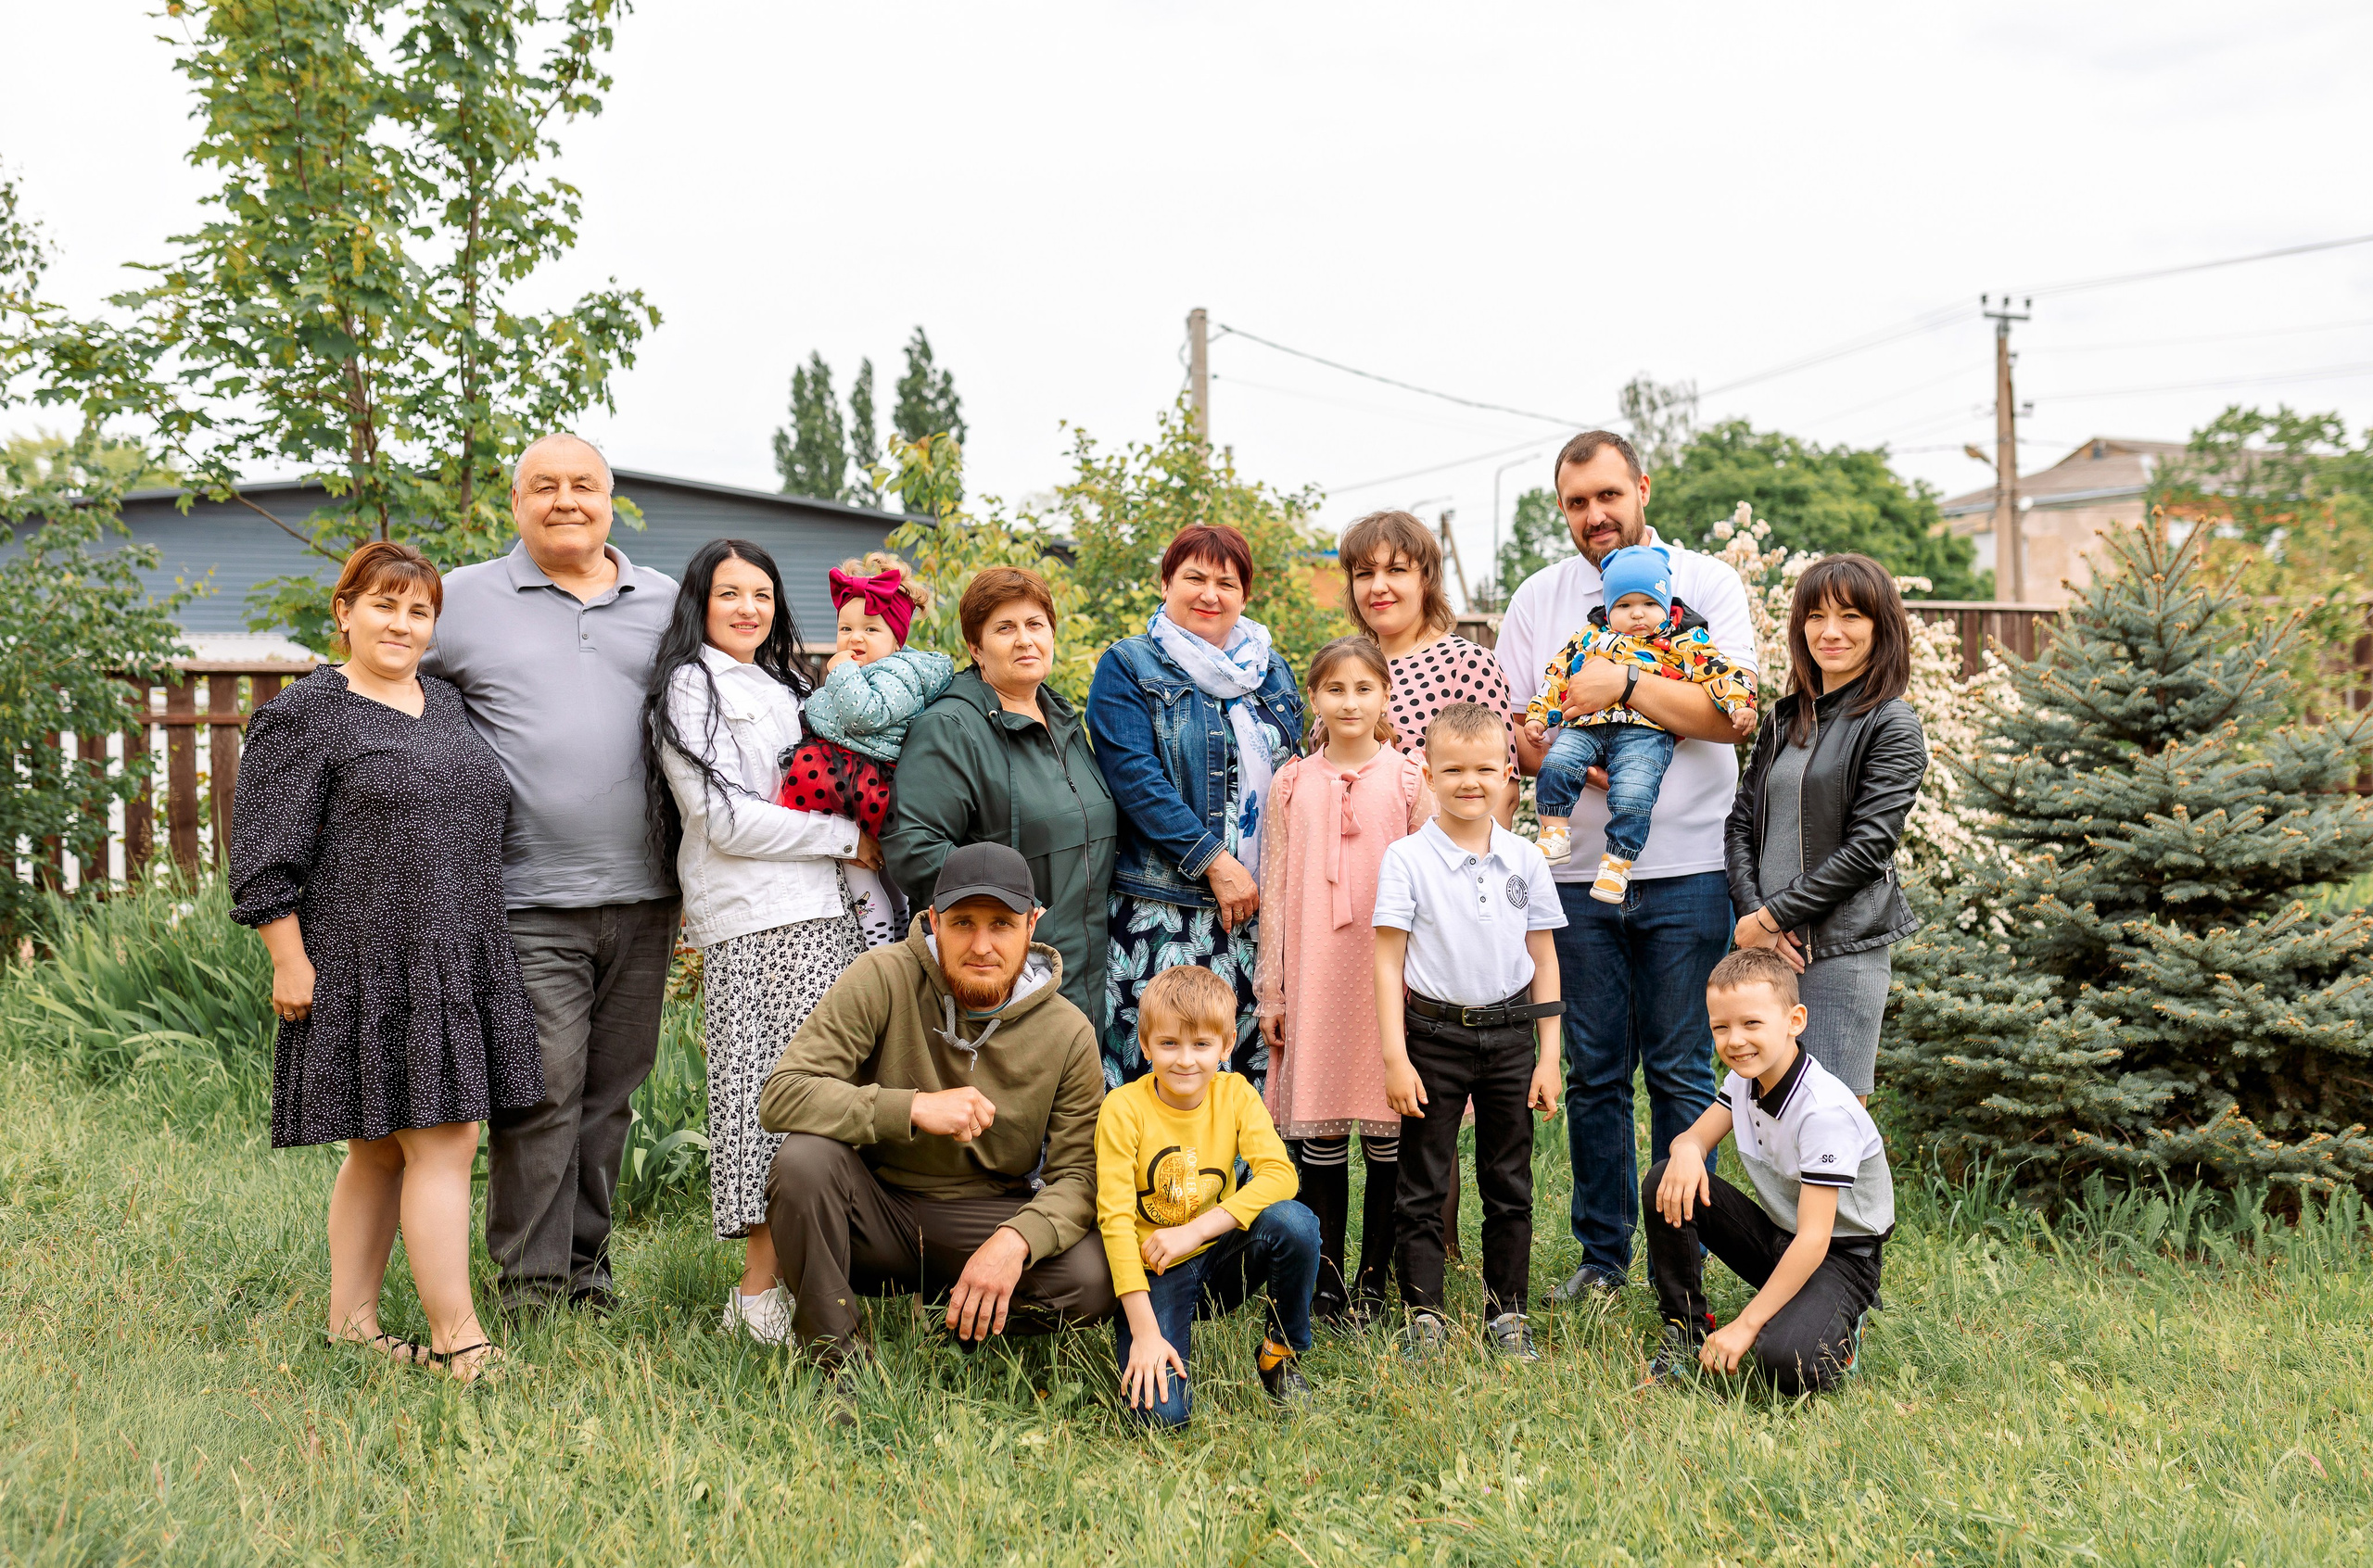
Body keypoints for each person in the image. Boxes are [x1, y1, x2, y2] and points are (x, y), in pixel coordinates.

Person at [231, 541, 541, 1384]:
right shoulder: (307, 712)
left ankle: (352, 1324)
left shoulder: (442, 702)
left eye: (419, 611)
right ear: (345, 612)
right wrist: (287, 959)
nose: (402, 624)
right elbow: (264, 851)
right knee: (445, 1140)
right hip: (364, 957)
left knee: (378, 1148)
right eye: (384, 605)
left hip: (456, 950)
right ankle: (460, 1339)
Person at [1493, 430, 1757, 1305]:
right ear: (1562, 509)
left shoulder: (1708, 584)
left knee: (1682, 1069)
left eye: (1609, 495)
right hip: (1574, 879)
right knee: (1595, 1072)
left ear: (1642, 488)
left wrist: (1627, 691)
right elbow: (1520, 738)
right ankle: (1603, 1261)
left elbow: (1733, 716)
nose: (1595, 516)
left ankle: (1684, 1261)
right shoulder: (1539, 600)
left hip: (1686, 868)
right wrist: (1547, 747)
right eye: (1577, 503)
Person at [420, 432, 679, 1315]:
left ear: (612, 500)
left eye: (584, 486)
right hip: (523, 898)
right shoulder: (460, 599)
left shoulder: (667, 602)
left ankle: (586, 1274)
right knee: (540, 1092)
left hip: (650, 897)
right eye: (544, 487)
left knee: (610, 1099)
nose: (566, 501)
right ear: (516, 503)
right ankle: (531, 1286)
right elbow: (385, 688)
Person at [760, 843, 1116, 1416]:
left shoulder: (1069, 1033)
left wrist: (1016, 1240)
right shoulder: (883, 977)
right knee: (804, 1162)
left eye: (1001, 924)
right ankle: (839, 1366)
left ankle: (963, 1319)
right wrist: (911, 1108)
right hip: (877, 1210)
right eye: (962, 925)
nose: (981, 946)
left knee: (1092, 1276)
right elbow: (784, 1093)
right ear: (931, 921)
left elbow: (1080, 1176)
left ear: (1032, 923)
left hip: (987, 1214)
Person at [644, 537, 878, 1347]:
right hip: (759, 919)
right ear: (699, 604)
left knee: (833, 1100)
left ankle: (829, 1274)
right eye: (730, 594)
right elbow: (725, 818)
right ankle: (755, 1295)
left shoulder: (789, 683)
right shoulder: (688, 688)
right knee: (770, 1104)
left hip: (830, 914)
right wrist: (849, 838)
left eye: (763, 595)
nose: (749, 609)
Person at [1339, 508, 1517, 1259]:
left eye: (1395, 570)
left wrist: (1458, 883)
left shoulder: (1462, 664)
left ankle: (1435, 1257)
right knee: (1389, 1073)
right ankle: (1394, 1255)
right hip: (1359, 895)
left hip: (1441, 892)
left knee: (1439, 1083)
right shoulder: (1347, 668)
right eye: (1364, 572)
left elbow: (1497, 785)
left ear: (1426, 577)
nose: (1379, 586)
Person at [1373, 703, 1567, 1362]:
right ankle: (1423, 1314)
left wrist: (1549, 1057)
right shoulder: (1406, 859)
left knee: (1509, 1181)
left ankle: (1507, 1312)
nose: (1469, 781)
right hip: (1433, 1037)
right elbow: (1387, 961)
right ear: (1426, 773)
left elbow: (1543, 958)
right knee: (1422, 1182)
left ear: (1509, 774)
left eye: (1486, 768)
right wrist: (1396, 1058)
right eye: (1452, 769)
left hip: (1513, 1037)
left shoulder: (1525, 859)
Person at [1253, 637, 1430, 1322]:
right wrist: (1274, 990)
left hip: (1388, 980)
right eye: (1335, 689)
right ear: (1315, 699)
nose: (1350, 702)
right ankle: (1323, 1282)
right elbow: (1275, 889)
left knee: (1388, 1133)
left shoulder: (1412, 779)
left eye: (1364, 688)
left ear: (1386, 695)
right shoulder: (1293, 782)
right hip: (1315, 973)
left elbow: (1430, 889)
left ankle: (1374, 1280)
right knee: (1320, 1135)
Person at [1088, 525, 1301, 1087]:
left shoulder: (1270, 669)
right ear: (1165, 583)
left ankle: (1236, 1181)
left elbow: (1295, 770)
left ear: (1244, 595)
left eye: (1226, 583)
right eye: (1195, 578)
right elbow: (1135, 778)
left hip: (1257, 914)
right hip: (1165, 912)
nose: (1211, 594)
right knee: (1162, 1076)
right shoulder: (1129, 665)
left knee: (1242, 1082)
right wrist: (1214, 861)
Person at [1638, 947, 1893, 1394]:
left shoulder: (1824, 1113)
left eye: (1751, 1024)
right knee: (1666, 1178)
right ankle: (1686, 1329)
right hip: (1781, 1236)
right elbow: (1695, 1138)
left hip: (1840, 1255)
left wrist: (1747, 1323)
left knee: (1785, 1364)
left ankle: (1842, 1327)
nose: (1734, 1041)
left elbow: (1816, 1239)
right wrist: (1685, 1148)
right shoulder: (1745, 1078)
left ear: (1795, 1021)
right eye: (1721, 1027)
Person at [1724, 554, 1929, 1100]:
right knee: (1771, 1128)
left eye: (1850, 616)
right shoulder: (1784, 718)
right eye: (1815, 616)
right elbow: (1741, 824)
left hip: (1838, 956)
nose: (1829, 631)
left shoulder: (1891, 722)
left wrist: (1771, 916)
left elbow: (1869, 849)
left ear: (1880, 627)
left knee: (1833, 1135)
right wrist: (1754, 919)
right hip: (1767, 954)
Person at [882, 566, 1116, 1031]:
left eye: (1036, 625)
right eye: (1005, 628)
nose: (1025, 640)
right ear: (975, 646)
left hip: (1089, 980)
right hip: (1011, 983)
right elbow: (914, 849)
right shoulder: (951, 728)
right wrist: (1008, 918)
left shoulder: (1064, 719)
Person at [1099, 965, 1320, 1428]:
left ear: (1225, 1047)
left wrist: (1195, 1230)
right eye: (1169, 1044)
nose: (1185, 1060)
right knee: (1161, 1417)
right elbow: (1116, 1222)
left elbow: (1281, 1175)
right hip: (1156, 1269)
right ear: (1144, 1045)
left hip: (1220, 1254)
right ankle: (1152, 1333)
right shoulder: (1122, 1110)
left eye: (1201, 1045)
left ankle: (1280, 1352)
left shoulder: (1235, 1093)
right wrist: (1143, 1330)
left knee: (1295, 1223)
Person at [1523, 542, 1757, 896]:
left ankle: (1618, 862)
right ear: (1607, 607)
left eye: (1649, 604)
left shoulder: (1683, 640)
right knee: (1558, 762)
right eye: (1624, 605)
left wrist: (1739, 703)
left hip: (1644, 732)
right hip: (1588, 725)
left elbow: (1718, 671)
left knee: (1633, 792)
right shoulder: (1590, 638)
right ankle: (1554, 831)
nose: (1637, 614)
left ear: (1665, 605)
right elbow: (1557, 675)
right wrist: (1539, 714)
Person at [781, 553, 952, 949]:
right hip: (864, 781)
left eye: (870, 629)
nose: (854, 638)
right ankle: (898, 939)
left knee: (860, 871)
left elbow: (862, 715)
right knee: (885, 876)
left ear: (897, 639)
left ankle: (879, 950)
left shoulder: (898, 673)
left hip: (862, 785)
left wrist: (837, 671)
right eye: (846, 628)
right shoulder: (877, 671)